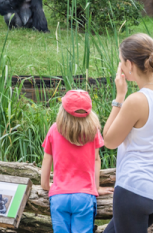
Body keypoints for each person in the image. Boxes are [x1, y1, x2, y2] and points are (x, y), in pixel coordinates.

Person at [102, 33, 153, 233]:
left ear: (129, 65)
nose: (120, 66)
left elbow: (109, 141)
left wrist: (119, 96)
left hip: (134, 192)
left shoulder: (136, 100)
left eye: (121, 62)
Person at [41, 90, 113, 233]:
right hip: (84, 196)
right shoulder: (93, 131)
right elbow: (96, 160)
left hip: (58, 196)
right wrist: (96, 187)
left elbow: (46, 159)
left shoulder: (54, 130)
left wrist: (45, 184)